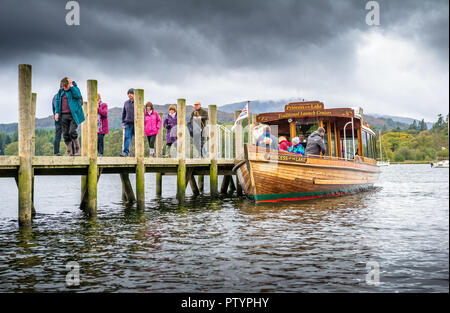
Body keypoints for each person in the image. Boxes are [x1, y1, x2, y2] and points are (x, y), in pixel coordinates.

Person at [54, 77, 85, 156]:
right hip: (64, 115)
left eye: (65, 86)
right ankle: (69, 151)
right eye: (63, 86)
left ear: (69, 84)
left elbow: (78, 95)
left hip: (73, 115)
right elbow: (57, 102)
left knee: (72, 131)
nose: (64, 88)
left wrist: (71, 86)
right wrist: (57, 112)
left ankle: (78, 149)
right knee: (65, 133)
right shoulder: (61, 91)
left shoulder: (74, 89)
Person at [120, 88, 135, 157]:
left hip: (136, 124)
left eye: (131, 93)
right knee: (127, 137)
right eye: (128, 94)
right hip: (128, 123)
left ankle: (138, 153)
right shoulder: (126, 103)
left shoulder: (138, 102)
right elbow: (124, 113)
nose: (130, 95)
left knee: (138, 139)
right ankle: (126, 152)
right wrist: (123, 122)